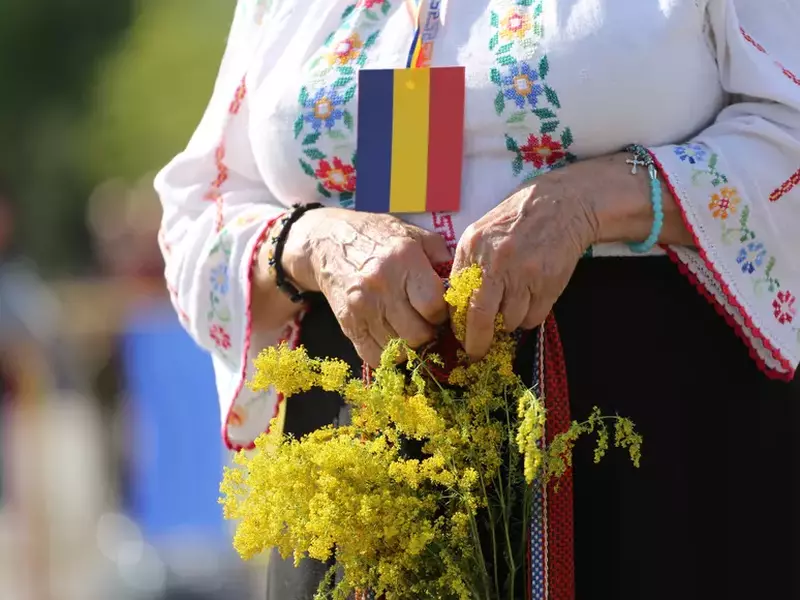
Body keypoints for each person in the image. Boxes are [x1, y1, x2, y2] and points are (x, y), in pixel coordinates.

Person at [155, 1, 800, 598]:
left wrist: (590, 203)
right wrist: (311, 241)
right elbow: (199, 214)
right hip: (360, 478)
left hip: (652, 469)